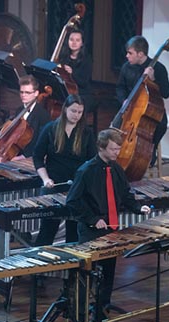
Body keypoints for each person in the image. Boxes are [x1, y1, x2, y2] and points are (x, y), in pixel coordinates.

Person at [66, 128, 151, 322]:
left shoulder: (116, 169)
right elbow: (73, 201)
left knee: (108, 272)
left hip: (111, 229)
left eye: (118, 149)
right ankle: (79, 316)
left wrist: (139, 208)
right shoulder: (86, 171)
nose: (117, 153)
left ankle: (101, 313)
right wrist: (93, 219)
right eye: (113, 149)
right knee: (87, 274)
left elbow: (125, 195)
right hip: (90, 230)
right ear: (102, 148)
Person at [33, 94, 96, 246]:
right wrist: (45, 179)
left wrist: (84, 183)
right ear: (65, 109)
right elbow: (38, 157)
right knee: (48, 230)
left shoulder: (86, 133)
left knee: (74, 234)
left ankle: (71, 267)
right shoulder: (50, 129)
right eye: (74, 111)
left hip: (76, 188)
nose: (77, 115)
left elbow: (92, 161)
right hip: (53, 186)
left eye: (80, 112)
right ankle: (39, 265)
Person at [115, 35, 169, 167]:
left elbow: (166, 93)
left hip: (151, 111)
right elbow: (120, 87)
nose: (127, 56)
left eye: (130, 53)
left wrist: (153, 80)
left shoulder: (159, 69)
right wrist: (123, 100)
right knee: (116, 127)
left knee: (159, 125)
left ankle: (149, 153)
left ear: (140, 54)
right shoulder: (126, 67)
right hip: (131, 109)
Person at [58, 28, 96, 132]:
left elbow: (84, 81)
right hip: (67, 92)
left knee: (76, 105)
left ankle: (77, 132)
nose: (74, 43)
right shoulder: (63, 57)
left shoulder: (87, 59)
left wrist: (72, 73)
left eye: (77, 40)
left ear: (82, 43)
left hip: (84, 93)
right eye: (71, 39)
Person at [12, 74, 51, 160]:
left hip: (29, 157)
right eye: (21, 92)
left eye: (27, 92)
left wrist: (23, 157)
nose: (23, 95)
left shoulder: (43, 115)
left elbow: (41, 142)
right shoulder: (19, 110)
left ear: (36, 93)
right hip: (16, 152)